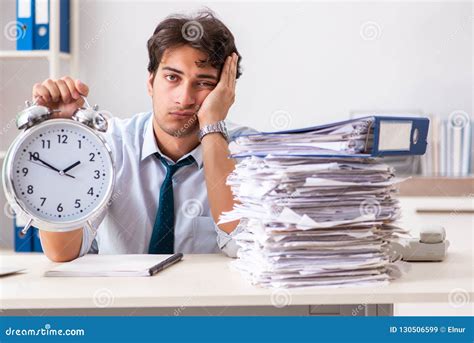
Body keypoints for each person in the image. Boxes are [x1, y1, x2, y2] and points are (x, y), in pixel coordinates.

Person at [34, 10, 254, 262]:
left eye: (203, 83)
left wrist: (212, 126)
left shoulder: (250, 154)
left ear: (225, 93)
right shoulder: (109, 144)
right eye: (172, 77)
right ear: (151, 82)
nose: (184, 98)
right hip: (121, 300)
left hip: (205, 299)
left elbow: (243, 245)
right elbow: (63, 252)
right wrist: (63, 142)